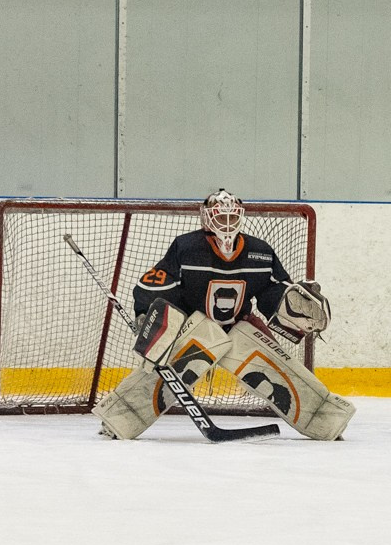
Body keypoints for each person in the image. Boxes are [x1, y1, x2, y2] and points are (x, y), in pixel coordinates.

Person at [98, 189, 352, 441]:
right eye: (221, 218)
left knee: (281, 370)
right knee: (164, 371)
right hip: (196, 327)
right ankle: (117, 420)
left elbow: (273, 291)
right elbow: (155, 285)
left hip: (238, 326)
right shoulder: (186, 248)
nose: (227, 224)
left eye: (232, 218)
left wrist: (292, 305)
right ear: (207, 218)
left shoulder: (260, 252)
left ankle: (326, 422)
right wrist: (147, 316)